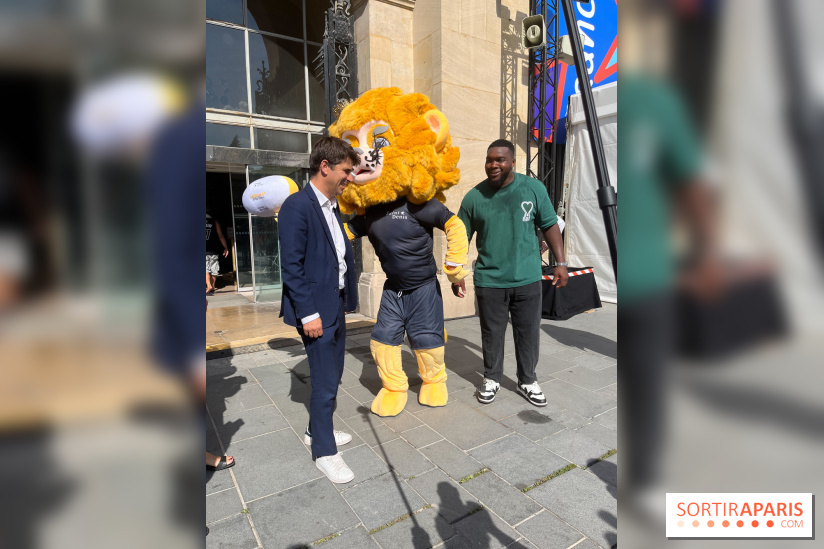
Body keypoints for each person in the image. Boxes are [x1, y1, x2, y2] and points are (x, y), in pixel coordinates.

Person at [453, 139, 569, 406]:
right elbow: (460, 236)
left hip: (527, 277)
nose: (493, 165)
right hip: (489, 280)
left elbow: (550, 225)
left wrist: (560, 263)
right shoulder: (474, 197)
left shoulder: (532, 188)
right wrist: (456, 271)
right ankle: (492, 377)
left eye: (500, 160)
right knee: (491, 333)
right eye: (489, 159)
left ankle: (527, 380)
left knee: (528, 332)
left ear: (513, 162)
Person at [278, 137, 360, 484]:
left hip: (335, 303)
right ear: (324, 166)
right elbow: (292, 267)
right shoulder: (298, 206)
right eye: (345, 171)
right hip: (316, 310)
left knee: (334, 372)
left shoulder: (332, 205)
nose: (350, 178)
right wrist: (307, 313)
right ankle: (324, 452)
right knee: (325, 381)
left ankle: (316, 430)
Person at [205, 211, 228, 296]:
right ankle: (212, 287)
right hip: (214, 250)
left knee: (205, 269)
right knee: (214, 269)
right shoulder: (214, 221)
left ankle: (209, 286)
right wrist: (225, 247)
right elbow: (220, 235)